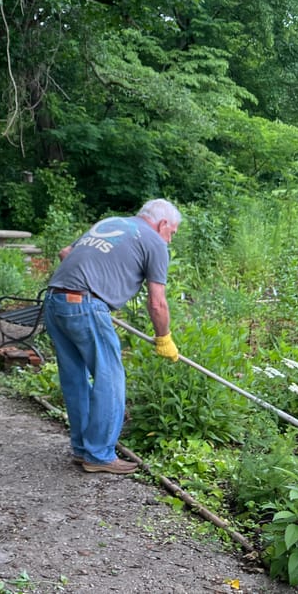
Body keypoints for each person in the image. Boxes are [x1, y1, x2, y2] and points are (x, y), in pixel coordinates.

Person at [43, 198, 182, 475]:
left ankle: (84, 450)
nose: (170, 240)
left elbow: (65, 253)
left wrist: (99, 288)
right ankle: (99, 454)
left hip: (54, 300)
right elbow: (157, 303)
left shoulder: (111, 222)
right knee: (110, 379)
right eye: (172, 233)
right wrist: (163, 337)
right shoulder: (154, 242)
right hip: (84, 305)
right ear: (163, 224)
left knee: (76, 380)